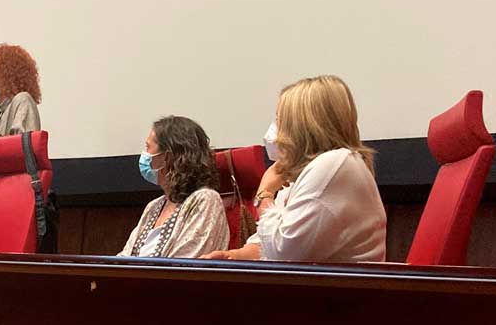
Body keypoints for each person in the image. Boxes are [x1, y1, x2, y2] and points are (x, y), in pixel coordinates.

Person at [204, 75, 386, 262]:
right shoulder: (302, 175)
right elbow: (265, 245)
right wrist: (232, 257)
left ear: (303, 126)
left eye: (280, 120)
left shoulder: (334, 164)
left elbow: (282, 251)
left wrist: (264, 194)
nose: (275, 131)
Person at [118, 116, 229, 258]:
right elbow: (125, 257)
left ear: (167, 157)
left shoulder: (206, 199)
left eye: (148, 147)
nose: (144, 155)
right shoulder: (154, 206)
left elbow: (185, 264)